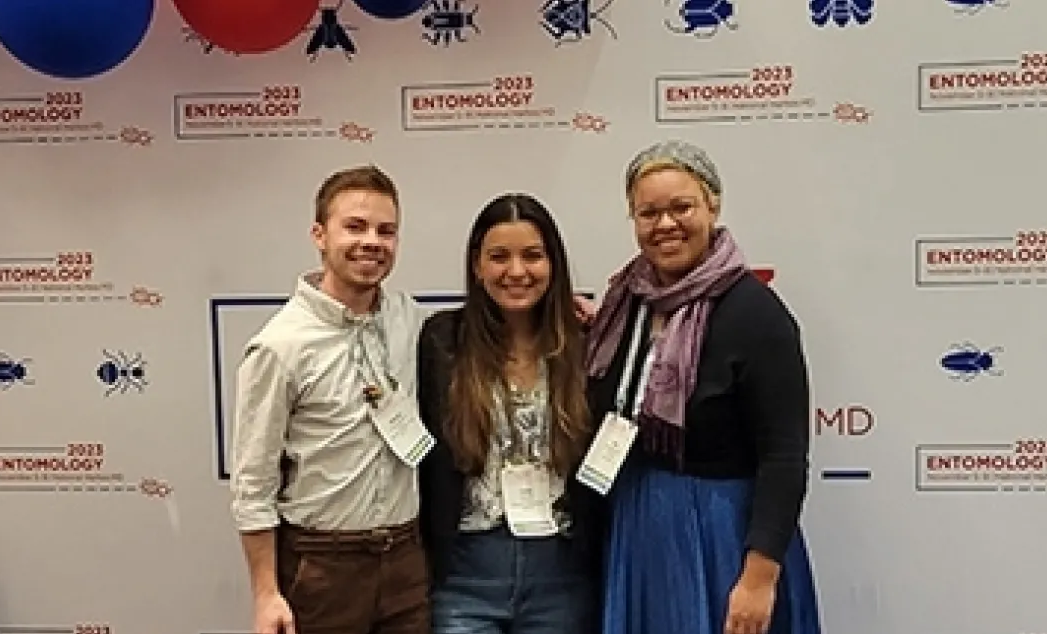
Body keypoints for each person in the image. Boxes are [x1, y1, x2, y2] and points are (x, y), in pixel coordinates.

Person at [583, 140, 822, 634]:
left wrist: (758, 579)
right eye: (648, 212)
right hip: (638, 525)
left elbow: (783, 457)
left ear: (713, 205)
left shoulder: (757, 316)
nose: (665, 224)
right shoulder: (625, 304)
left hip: (724, 535)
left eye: (681, 207)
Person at [229, 165, 434, 634]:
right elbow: (252, 483)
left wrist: (566, 312)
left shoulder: (408, 319)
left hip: (406, 560)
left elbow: (486, 328)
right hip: (322, 568)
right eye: (355, 227)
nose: (372, 241)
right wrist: (265, 595)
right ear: (319, 235)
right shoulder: (281, 346)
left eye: (386, 231)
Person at [416, 193, 607, 634]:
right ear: (477, 265)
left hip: (562, 576)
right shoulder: (442, 341)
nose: (516, 271)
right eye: (499, 256)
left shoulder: (587, 345)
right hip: (465, 577)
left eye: (533, 256)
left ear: (553, 264)